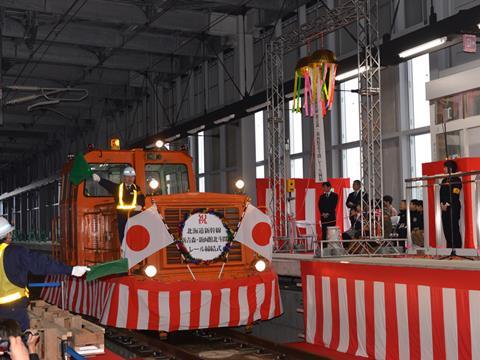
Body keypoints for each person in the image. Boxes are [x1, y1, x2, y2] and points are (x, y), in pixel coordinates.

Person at [0, 218, 90, 331]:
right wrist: (71, 270)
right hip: (13, 311)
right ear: (8, 235)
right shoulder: (15, 252)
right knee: (16, 343)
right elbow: (42, 264)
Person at [92, 167, 145, 243]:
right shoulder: (118, 188)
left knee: (135, 238)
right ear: (124, 177)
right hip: (122, 217)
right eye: (128, 176)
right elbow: (109, 185)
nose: (130, 179)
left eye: (132, 177)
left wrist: (140, 205)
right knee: (123, 238)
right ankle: (124, 253)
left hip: (134, 216)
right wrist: (100, 180)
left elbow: (141, 198)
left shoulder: (137, 188)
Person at [440, 160, 462, 249]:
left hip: (453, 207)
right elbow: (441, 193)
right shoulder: (444, 180)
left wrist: (447, 204)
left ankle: (457, 248)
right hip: (444, 208)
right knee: (446, 228)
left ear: (450, 168)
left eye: (445, 167)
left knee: (454, 228)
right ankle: (449, 248)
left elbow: (455, 194)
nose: (443, 169)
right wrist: (442, 204)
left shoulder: (457, 179)